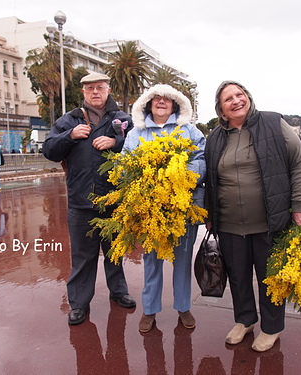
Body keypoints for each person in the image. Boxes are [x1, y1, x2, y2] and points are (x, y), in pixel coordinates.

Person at [204, 81, 301, 352]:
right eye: (228, 98)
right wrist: (209, 214)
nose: (236, 101)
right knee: (238, 276)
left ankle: (271, 328)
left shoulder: (274, 123)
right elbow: (211, 179)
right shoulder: (216, 137)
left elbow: (299, 162)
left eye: (239, 94)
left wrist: (300, 204)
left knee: (269, 276)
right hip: (228, 222)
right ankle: (245, 320)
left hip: (268, 220)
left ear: (248, 97)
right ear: (221, 108)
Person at [42, 72, 136, 326]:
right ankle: (79, 304)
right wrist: (69, 136)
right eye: (90, 88)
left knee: (115, 252)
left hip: (114, 201)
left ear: (108, 90)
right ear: (83, 92)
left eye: (100, 87)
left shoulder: (123, 120)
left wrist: (116, 141)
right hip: (80, 202)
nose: (95, 92)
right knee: (83, 257)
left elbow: (139, 147)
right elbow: (49, 150)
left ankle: (119, 292)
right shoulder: (68, 120)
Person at [124, 84, 206, 333]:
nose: (161, 102)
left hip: (184, 209)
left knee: (182, 262)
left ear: (174, 104)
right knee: (152, 261)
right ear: (148, 104)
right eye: (156, 99)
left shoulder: (189, 130)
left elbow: (203, 159)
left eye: (166, 99)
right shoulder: (135, 133)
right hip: (150, 211)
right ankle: (149, 310)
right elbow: (125, 164)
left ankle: (183, 306)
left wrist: (181, 173)